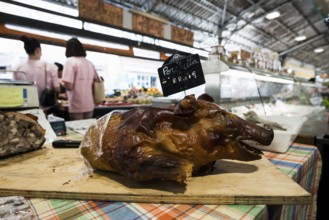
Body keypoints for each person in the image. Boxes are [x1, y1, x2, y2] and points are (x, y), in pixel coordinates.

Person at [13, 35, 60, 111]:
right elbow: (57, 88)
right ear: (38, 50)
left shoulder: (18, 68)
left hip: (26, 106)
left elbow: (16, 88)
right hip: (46, 107)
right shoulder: (50, 67)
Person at [61, 37, 99, 120]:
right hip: (89, 104)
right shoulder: (89, 63)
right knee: (88, 130)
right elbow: (96, 81)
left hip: (76, 104)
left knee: (77, 131)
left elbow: (69, 86)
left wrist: (61, 82)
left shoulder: (70, 62)